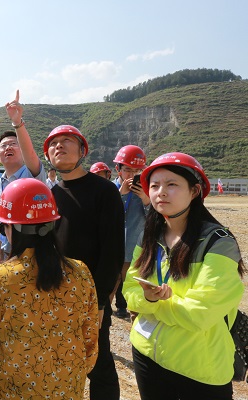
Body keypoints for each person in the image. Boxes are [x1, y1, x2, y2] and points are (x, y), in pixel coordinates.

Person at [123, 152, 245, 400]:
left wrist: (152, 304)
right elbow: (129, 290)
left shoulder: (218, 242)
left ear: (194, 191)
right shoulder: (149, 235)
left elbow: (200, 313)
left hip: (199, 367)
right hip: (147, 355)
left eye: (172, 184)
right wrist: (147, 298)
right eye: (154, 186)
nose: (161, 192)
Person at [0, 178, 99, 399]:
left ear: (10, 228)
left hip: (15, 387)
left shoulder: (0, 278)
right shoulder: (80, 271)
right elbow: (90, 334)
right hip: (68, 385)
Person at [44, 124, 125, 399]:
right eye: (53, 143)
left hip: (91, 298)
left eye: (67, 140)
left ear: (82, 151)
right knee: (59, 363)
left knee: (99, 366)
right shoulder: (51, 195)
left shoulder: (104, 191)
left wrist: (100, 301)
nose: (59, 146)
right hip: (55, 295)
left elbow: (113, 251)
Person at [0, 90, 47, 263]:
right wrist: (0, 256)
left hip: (35, 253)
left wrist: (17, 123)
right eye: (3, 146)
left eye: (13, 144)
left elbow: (30, 153)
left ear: (22, 150)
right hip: (8, 252)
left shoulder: (32, 175)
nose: (7, 147)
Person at [111, 145, 150, 320]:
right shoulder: (110, 189)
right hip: (112, 249)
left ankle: (136, 323)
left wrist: (146, 200)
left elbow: (155, 220)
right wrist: (120, 196)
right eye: (127, 170)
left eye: (137, 171)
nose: (132, 175)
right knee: (108, 289)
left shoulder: (146, 191)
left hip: (135, 251)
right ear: (118, 169)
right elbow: (107, 218)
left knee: (135, 290)